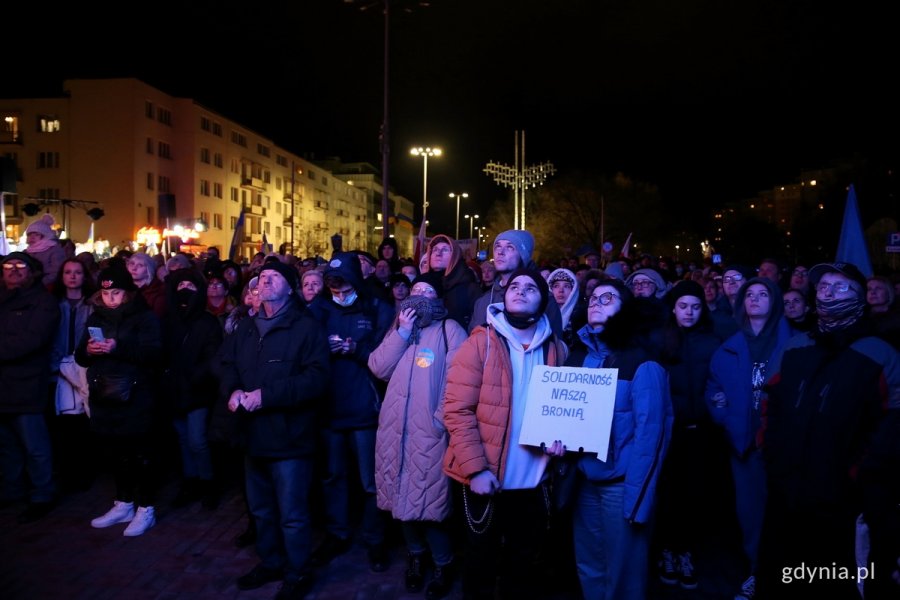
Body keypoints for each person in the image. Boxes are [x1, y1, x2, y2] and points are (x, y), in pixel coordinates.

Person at [758, 262, 900, 599]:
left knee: (831, 581)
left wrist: (859, 475)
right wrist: (772, 455)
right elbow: (769, 403)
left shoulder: (881, 353)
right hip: (787, 491)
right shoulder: (795, 346)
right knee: (783, 575)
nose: (828, 292)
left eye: (839, 287)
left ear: (860, 296)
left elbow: (892, 424)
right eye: (823, 287)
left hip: (843, 500)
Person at [443, 268, 568, 599]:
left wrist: (560, 440)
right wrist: (476, 470)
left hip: (533, 479)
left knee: (523, 564)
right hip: (486, 478)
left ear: (544, 301)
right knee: (479, 564)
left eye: (531, 287)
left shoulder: (556, 349)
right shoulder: (479, 342)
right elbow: (456, 410)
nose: (521, 291)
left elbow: (559, 409)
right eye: (515, 286)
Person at [218, 259, 330, 600]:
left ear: (290, 287)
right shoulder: (248, 327)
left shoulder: (305, 327)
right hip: (253, 435)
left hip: (290, 437)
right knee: (261, 509)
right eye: (260, 277)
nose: (264, 281)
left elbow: (317, 379)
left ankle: (297, 572)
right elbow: (227, 365)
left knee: (292, 514)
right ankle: (271, 561)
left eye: (273, 276)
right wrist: (234, 390)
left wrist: (266, 396)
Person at [563, 278, 673, 600]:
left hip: (622, 487)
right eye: (592, 297)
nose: (596, 301)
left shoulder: (643, 361)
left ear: (625, 309)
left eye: (607, 297)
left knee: (624, 574)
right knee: (590, 566)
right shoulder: (579, 356)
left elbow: (651, 436)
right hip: (585, 481)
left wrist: (637, 499)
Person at [368, 273, 468, 599]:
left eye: (427, 291)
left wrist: (440, 420)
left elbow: (460, 380)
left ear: (438, 298)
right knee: (399, 499)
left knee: (430, 505)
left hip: (430, 434)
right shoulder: (401, 329)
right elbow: (378, 367)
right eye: (415, 290)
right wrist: (401, 332)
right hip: (394, 431)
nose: (419, 295)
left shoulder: (449, 330)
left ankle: (443, 562)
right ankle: (415, 556)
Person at [706, 276, 792, 600]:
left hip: (782, 446)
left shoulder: (794, 343)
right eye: (749, 295)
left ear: (775, 301)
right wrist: (724, 416)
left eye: (762, 294)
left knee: (783, 513)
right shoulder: (729, 347)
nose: (754, 299)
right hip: (743, 445)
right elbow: (714, 388)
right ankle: (756, 572)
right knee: (750, 514)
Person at [312, 252, 394, 572]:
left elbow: (387, 354)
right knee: (333, 476)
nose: (340, 294)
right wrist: (324, 347)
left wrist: (354, 349)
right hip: (330, 407)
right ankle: (337, 533)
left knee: (370, 480)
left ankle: (375, 539)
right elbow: (304, 347)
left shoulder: (377, 308)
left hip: (364, 407)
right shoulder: (318, 308)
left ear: (356, 282)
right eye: (334, 288)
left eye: (345, 287)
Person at [75, 265, 163, 536]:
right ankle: (123, 502)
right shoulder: (95, 318)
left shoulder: (144, 317)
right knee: (115, 453)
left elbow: (154, 355)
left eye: (116, 292)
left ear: (127, 293)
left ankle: (146, 508)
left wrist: (118, 347)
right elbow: (80, 356)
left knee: (139, 453)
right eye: (106, 293)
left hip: (135, 395)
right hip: (104, 395)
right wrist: (89, 350)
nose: (110, 298)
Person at [655, 280, 722, 591]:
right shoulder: (660, 340)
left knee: (695, 494)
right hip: (669, 431)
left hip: (702, 430)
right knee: (668, 493)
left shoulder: (712, 341)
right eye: (684, 306)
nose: (690, 312)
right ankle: (669, 551)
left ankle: (687, 553)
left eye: (695, 306)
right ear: (673, 307)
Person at [0, 252, 60, 523]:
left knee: (35, 445)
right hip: (3, 384)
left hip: (27, 383)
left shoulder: (42, 302)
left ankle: (42, 494)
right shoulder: (2, 299)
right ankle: (12, 491)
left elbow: (32, 340)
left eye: (20, 266)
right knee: (7, 445)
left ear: (32, 271)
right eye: (8, 267)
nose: (13, 271)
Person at [161, 268, 224, 510]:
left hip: (197, 391)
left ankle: (208, 483)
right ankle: (191, 481)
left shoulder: (207, 322)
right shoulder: (169, 320)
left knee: (197, 439)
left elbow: (212, 356)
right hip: (173, 390)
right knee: (183, 438)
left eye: (191, 286)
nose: (185, 291)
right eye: (181, 286)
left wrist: (193, 378)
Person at [50, 258, 97, 492]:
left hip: (84, 366)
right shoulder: (54, 304)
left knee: (83, 422)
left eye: (77, 272)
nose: (72, 276)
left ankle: (84, 472)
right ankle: (66, 471)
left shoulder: (91, 306)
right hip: (57, 367)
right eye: (68, 272)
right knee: (64, 422)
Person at [421, 234, 482, 331]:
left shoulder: (470, 288)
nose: (438, 253)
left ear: (455, 256)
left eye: (445, 250)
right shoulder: (422, 285)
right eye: (435, 250)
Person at [24, 214, 66, 288]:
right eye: (30, 234)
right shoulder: (26, 252)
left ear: (45, 235)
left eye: (36, 234)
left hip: (48, 287)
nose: (32, 237)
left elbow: (57, 271)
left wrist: (40, 284)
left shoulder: (54, 249)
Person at [126, 252, 167, 318]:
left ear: (149, 269)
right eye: (132, 263)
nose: (134, 268)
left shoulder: (158, 292)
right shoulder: (124, 289)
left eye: (140, 265)